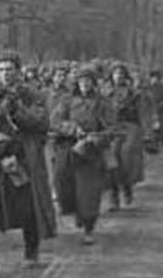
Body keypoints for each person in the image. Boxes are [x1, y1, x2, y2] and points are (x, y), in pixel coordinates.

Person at [0, 52, 55, 278]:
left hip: (21, 161)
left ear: (18, 71)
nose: (6, 74)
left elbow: (41, 122)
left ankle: (31, 249)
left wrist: (17, 110)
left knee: (27, 209)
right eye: (2, 69)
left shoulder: (31, 95)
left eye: (10, 69)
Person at [49, 65, 117, 245]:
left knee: (88, 192)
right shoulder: (67, 100)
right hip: (67, 147)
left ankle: (89, 228)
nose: (85, 84)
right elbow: (55, 121)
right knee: (61, 184)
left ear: (94, 83)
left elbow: (112, 128)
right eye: (81, 81)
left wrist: (94, 139)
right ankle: (76, 212)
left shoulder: (102, 103)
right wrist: (72, 129)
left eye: (89, 81)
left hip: (91, 153)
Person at [107, 63, 145, 211]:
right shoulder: (105, 92)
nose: (118, 76)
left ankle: (127, 185)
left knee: (127, 154)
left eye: (121, 73)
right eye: (116, 73)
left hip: (130, 125)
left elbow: (141, 111)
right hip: (111, 127)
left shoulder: (133, 92)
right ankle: (113, 195)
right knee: (112, 158)